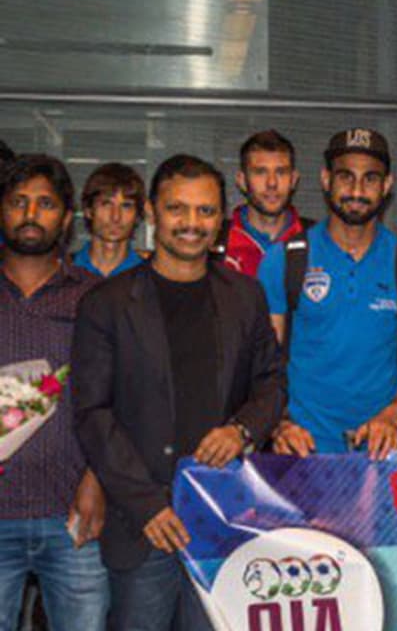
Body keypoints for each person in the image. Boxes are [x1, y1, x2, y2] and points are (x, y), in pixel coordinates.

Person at [72, 154, 286, 631]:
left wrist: (242, 431)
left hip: (224, 521)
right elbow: (92, 413)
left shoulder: (245, 295)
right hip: (144, 525)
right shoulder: (106, 303)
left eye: (205, 211)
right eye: (177, 209)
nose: (192, 223)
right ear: (152, 212)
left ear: (221, 219)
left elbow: (271, 382)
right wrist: (146, 504)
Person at [262, 128, 397, 458]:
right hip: (303, 450)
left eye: (370, 179)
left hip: (383, 451)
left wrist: (391, 417)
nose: (357, 190)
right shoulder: (284, 259)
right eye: (346, 177)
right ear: (326, 179)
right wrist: (280, 424)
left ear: (387, 185)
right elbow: (264, 367)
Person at [0, 155, 108, 631]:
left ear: (66, 219)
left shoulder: (96, 296)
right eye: (18, 202)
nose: (30, 214)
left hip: (74, 514)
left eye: (45, 204)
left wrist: (98, 481)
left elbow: (120, 397)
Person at [213, 130, 310, 277]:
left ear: (294, 179)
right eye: (260, 172)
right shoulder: (214, 243)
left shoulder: (317, 239)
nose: (272, 183)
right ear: (242, 181)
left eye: (281, 172)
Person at [72, 163, 146, 279]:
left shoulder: (148, 276)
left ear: (137, 215)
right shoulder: (64, 271)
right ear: (88, 211)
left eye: (126, 206)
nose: (116, 216)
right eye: (106, 204)